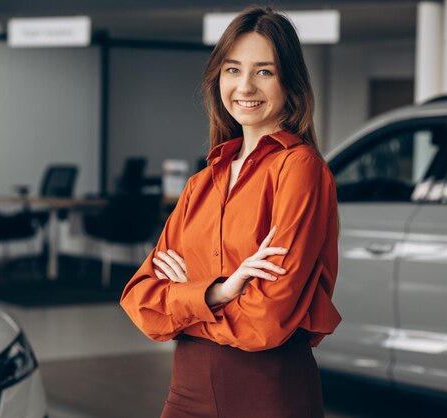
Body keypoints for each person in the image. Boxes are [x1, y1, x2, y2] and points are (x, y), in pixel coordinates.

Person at [121, 6, 341, 418]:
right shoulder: (202, 181)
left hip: (267, 394)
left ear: (289, 83)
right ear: (217, 78)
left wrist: (185, 303)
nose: (245, 86)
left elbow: (267, 319)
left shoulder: (299, 168)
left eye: (264, 72)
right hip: (186, 392)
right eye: (232, 69)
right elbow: (140, 302)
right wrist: (221, 291)